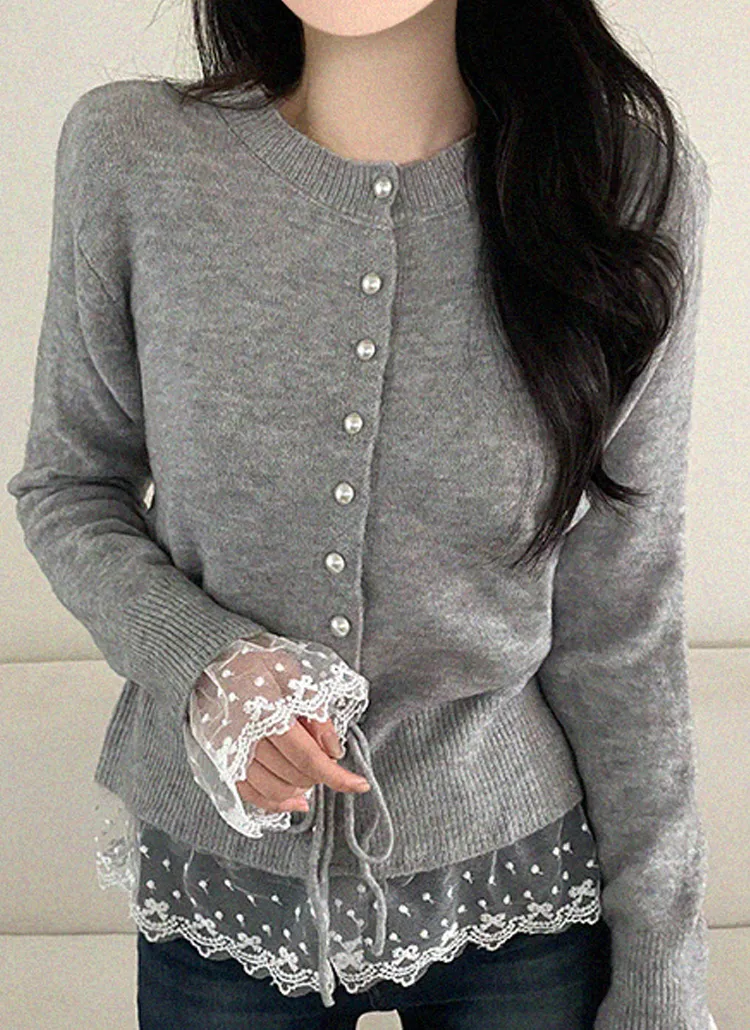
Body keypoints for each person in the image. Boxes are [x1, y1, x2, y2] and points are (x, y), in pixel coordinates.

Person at [7, 1, 718, 1028]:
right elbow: (69, 486)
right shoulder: (133, 155)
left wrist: (661, 969)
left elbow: (624, 611)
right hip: (226, 877)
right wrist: (209, 664)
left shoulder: (626, 189)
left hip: (517, 887)